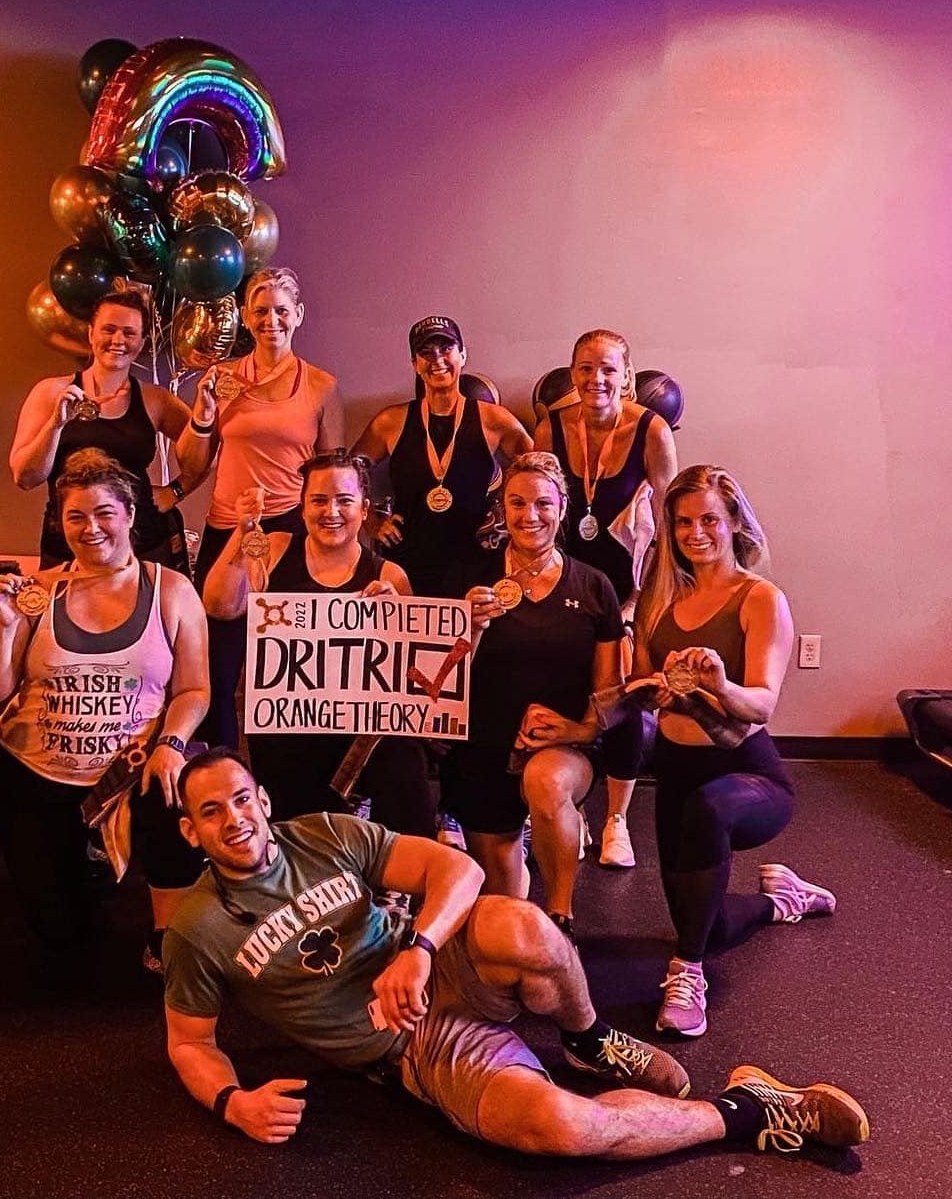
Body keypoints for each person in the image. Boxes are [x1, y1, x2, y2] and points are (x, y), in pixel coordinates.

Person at [163, 749, 867, 1160]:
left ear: (262, 800)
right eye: (212, 812)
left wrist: (420, 947)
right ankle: (750, 1110)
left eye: (241, 800)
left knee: (520, 923)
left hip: (437, 967)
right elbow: (190, 1042)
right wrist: (233, 1103)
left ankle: (588, 1040)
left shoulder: (322, 835)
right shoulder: (197, 927)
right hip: (411, 1047)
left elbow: (457, 869)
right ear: (192, 831)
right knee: (561, 1128)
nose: (234, 820)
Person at [0, 450, 209, 972]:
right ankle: (85, 868)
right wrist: (5, 627)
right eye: (75, 516)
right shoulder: (39, 591)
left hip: (133, 769)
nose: (91, 528)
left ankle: (167, 935)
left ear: (130, 514)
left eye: (104, 513)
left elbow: (194, 690)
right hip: (36, 774)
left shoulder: (172, 591)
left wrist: (171, 745)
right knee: (63, 941)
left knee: (177, 787)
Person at [633, 465, 832, 1038]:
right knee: (708, 925)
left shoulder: (760, 598)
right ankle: (781, 900)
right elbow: (642, 680)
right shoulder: (659, 597)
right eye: (682, 523)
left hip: (749, 776)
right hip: (677, 772)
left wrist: (719, 684)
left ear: (735, 522)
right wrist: (648, 689)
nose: (695, 533)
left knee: (710, 812)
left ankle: (687, 974)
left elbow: (762, 704)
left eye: (709, 520)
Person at [202, 449, 434, 837]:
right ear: (302, 505)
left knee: (402, 754)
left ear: (364, 508)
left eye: (344, 501)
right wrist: (243, 531)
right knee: (295, 822)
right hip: (286, 725)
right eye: (319, 500)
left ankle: (406, 862)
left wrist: (397, 619)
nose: (331, 512)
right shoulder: (274, 548)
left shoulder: (389, 575)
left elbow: (415, 681)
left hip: (359, 730)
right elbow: (219, 605)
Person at [448, 452, 622, 939]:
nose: (530, 516)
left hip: (564, 747)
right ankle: (523, 925)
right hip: (484, 745)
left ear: (562, 507)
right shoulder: (469, 577)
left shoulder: (594, 586)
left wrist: (578, 730)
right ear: (502, 509)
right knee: (504, 909)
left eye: (543, 504)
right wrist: (468, 626)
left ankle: (561, 921)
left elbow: (610, 692)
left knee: (545, 782)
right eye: (517, 503)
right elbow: (438, 681)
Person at [535, 328, 678, 871]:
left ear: (627, 375)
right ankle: (567, 807)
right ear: (572, 373)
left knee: (621, 701)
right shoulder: (550, 426)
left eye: (608, 369)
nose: (596, 379)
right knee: (558, 691)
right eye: (585, 368)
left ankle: (617, 818)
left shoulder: (651, 430)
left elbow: (667, 529)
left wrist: (642, 604)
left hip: (625, 590)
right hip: (566, 585)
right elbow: (537, 510)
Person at [188, 268, 345, 750]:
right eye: (260, 311)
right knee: (216, 664)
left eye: (281, 310)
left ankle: (285, 772)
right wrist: (202, 416)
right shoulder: (221, 380)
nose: (271, 320)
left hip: (291, 532)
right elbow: (192, 462)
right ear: (244, 316)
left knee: (287, 667)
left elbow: (332, 471)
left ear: (298, 315)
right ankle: (219, 766)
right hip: (228, 527)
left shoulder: (321, 385)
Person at [11, 288, 211, 571]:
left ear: (141, 342)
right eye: (109, 329)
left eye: (129, 333)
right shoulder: (50, 392)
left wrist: (176, 491)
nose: (118, 340)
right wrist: (56, 424)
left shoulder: (155, 400)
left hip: (143, 544)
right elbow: (25, 477)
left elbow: (206, 448)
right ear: (91, 333)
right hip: (69, 543)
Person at [352, 315, 532, 601]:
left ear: (463, 355)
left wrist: (507, 516)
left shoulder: (494, 420)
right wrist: (370, 520)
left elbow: (540, 474)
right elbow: (349, 473)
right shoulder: (390, 422)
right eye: (426, 352)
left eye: (446, 348)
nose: (437, 359)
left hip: (477, 561)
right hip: (409, 561)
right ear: (415, 363)